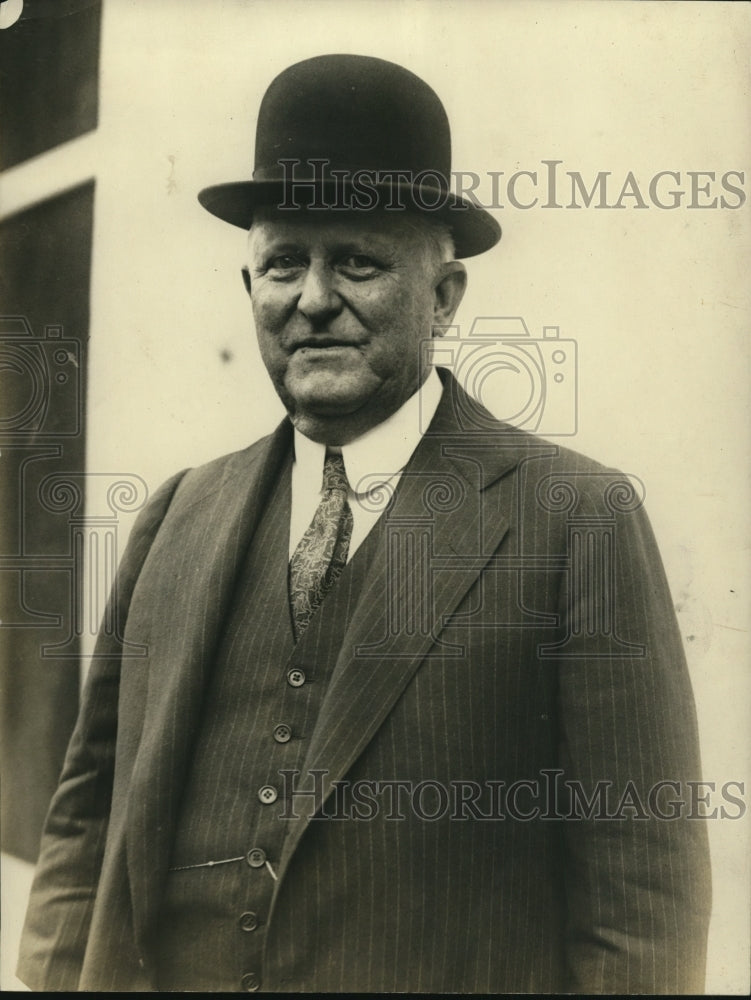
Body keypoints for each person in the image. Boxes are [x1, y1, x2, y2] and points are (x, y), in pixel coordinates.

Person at [17, 54, 710, 994]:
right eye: (283, 263)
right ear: (249, 286)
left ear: (443, 297)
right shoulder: (176, 515)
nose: (312, 299)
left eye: (357, 261)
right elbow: (85, 824)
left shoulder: (577, 518)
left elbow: (642, 908)